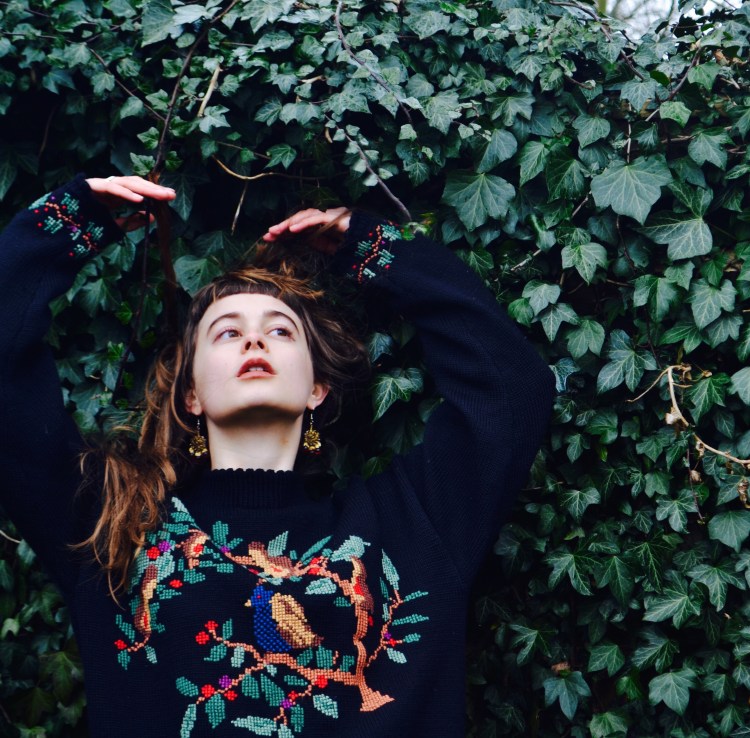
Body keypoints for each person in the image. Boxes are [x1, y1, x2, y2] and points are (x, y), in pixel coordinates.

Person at [0, 174, 554, 737]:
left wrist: (375, 248)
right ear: (191, 394)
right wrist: (66, 222)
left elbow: (510, 393)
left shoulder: (412, 524)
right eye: (226, 333)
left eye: (282, 332)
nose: (254, 340)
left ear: (317, 387)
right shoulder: (112, 523)